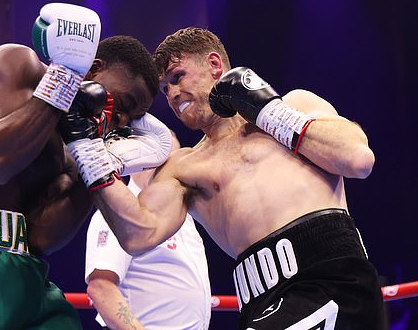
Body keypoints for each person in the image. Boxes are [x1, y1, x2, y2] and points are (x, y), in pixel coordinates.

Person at [62, 27, 386, 329]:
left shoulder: (295, 104)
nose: (173, 94)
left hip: (332, 281)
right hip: (261, 303)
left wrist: (269, 111)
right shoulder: (184, 167)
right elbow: (139, 234)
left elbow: (358, 159)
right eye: (165, 89)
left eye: (178, 77)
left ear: (214, 64)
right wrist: (88, 151)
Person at [0, 2, 166, 329]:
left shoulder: (74, 144)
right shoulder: (17, 62)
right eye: (122, 103)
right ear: (94, 68)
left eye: (130, 117)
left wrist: (99, 160)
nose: (120, 119)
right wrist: (65, 76)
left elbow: (42, 237)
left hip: (23, 264)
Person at [84, 132, 211, 330]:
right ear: (137, 161)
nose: (166, 171)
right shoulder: (118, 214)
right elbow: (101, 287)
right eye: (158, 160)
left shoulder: (184, 216)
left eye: (171, 162)